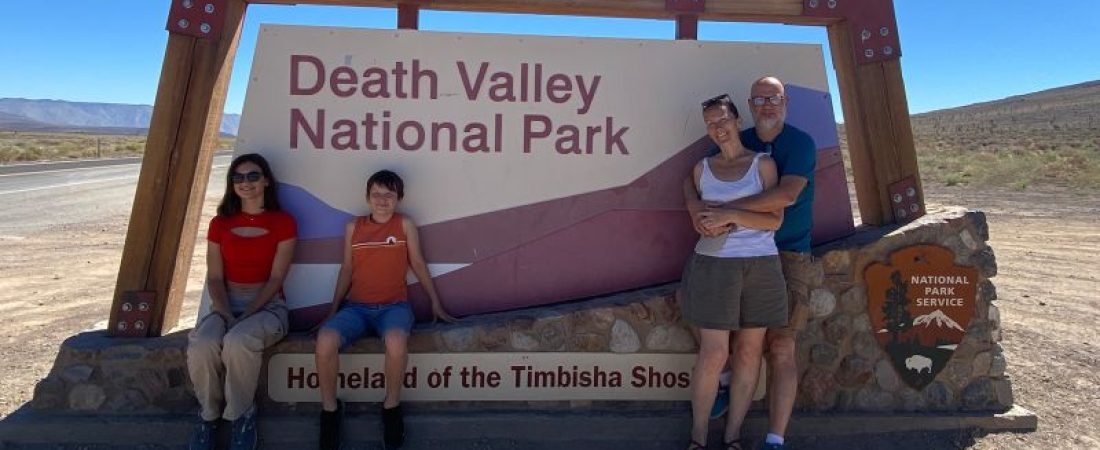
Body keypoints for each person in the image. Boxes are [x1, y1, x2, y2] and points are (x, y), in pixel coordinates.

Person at [684, 76, 817, 450]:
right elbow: (692, 181)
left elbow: (784, 201)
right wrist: (695, 208)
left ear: (785, 100)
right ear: (749, 106)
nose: (767, 105)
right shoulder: (724, 151)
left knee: (772, 347)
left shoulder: (790, 148)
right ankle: (704, 428)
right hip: (720, 262)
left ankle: (763, 438)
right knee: (716, 350)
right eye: (759, 99)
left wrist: (727, 213)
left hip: (779, 256)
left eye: (773, 98)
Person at [314, 170, 455, 450]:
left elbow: (417, 262)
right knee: (325, 340)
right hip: (356, 308)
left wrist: (435, 301)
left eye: (389, 195)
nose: (382, 200)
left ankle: (391, 406)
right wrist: (333, 310)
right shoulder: (353, 227)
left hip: (394, 307)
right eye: (376, 194)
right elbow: (347, 269)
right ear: (367, 198)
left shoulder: (405, 224)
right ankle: (330, 410)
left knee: (396, 340)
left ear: (399, 198)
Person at [187, 153, 297, 450]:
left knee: (238, 341)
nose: (245, 183)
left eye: (253, 176)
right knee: (202, 344)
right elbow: (214, 277)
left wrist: (247, 314)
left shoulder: (283, 222)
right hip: (225, 303)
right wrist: (225, 313)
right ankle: (208, 415)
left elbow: (276, 278)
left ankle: (241, 415)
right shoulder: (220, 224)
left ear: (266, 180)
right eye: (238, 177)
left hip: (267, 306)